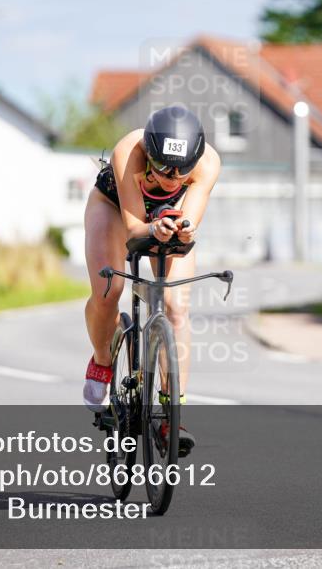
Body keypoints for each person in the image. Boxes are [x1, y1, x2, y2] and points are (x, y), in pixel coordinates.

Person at [82, 105, 220, 456]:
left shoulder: (208, 163)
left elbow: (188, 226)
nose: (172, 179)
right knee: (109, 289)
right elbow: (134, 229)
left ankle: (171, 414)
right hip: (114, 207)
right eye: (162, 169)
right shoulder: (129, 150)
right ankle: (101, 360)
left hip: (167, 216)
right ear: (150, 154)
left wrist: (182, 232)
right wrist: (151, 228)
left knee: (176, 307)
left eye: (181, 172)